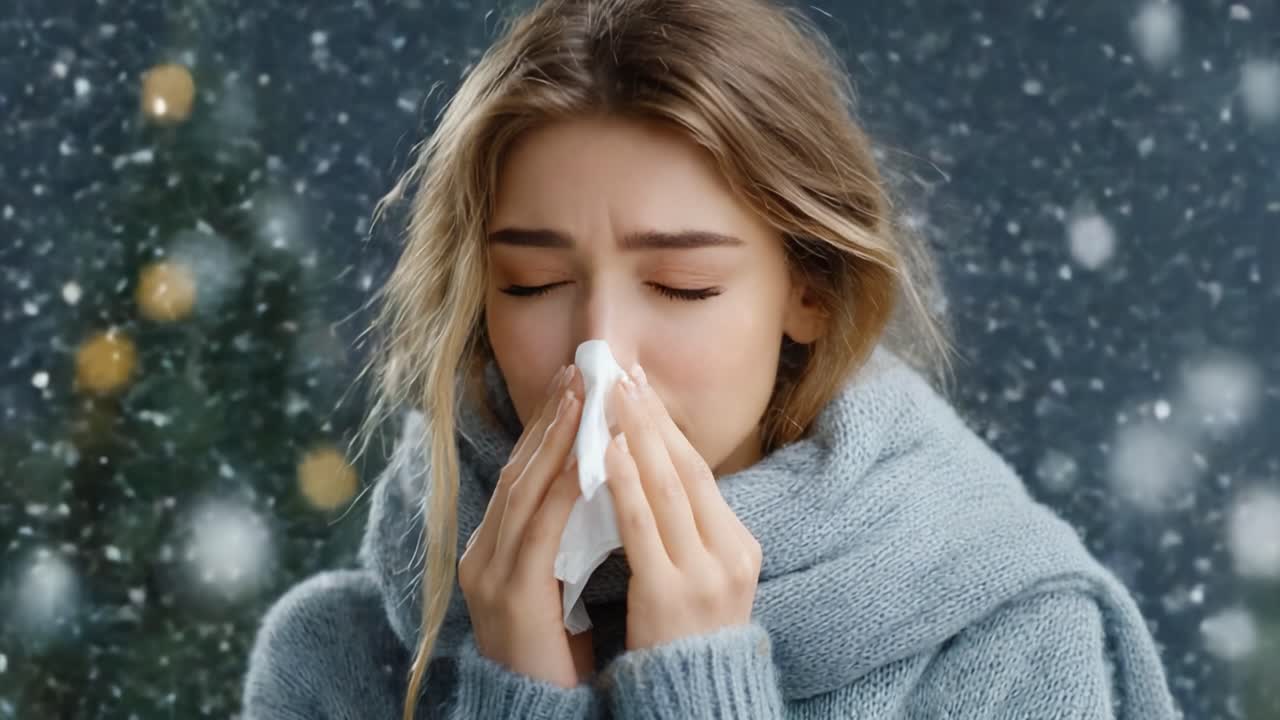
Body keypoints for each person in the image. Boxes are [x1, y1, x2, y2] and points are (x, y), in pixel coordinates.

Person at [241, 0, 1180, 718]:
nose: (599, 353)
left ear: (807, 290)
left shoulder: (1008, 642)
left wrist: (700, 688)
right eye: (529, 282)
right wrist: (515, 687)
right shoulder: (337, 661)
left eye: (683, 285)